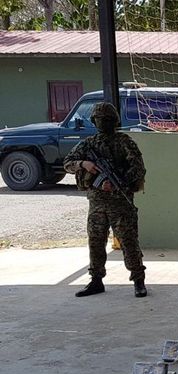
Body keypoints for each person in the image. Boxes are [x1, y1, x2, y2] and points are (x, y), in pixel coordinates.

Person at [63, 102, 148, 298]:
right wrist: (84, 164)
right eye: (100, 119)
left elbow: (138, 168)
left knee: (128, 241)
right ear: (94, 121)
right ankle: (96, 280)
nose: (103, 123)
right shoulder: (88, 144)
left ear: (114, 121)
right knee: (95, 242)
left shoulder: (124, 142)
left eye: (107, 119)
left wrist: (120, 182)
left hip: (120, 202)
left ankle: (138, 280)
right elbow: (68, 163)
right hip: (97, 203)